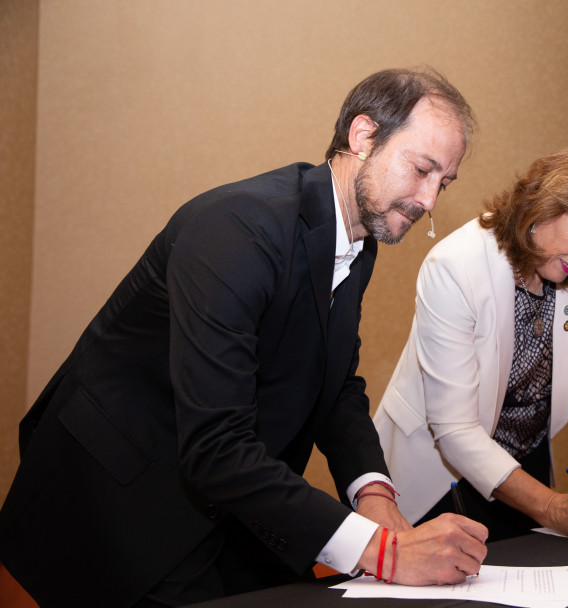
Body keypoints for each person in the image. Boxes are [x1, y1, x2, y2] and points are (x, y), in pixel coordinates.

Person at [0, 67, 488, 607]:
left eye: (443, 183)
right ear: (362, 136)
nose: (428, 202)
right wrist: (383, 551)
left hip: (227, 502)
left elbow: (334, 386)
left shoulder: (358, 240)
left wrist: (372, 491)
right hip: (117, 497)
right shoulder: (237, 227)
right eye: (422, 169)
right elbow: (216, 445)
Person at [374, 146, 568, 542]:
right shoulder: (455, 266)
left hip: (524, 462)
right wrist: (551, 506)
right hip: (438, 468)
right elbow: (455, 429)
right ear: (542, 208)